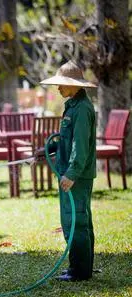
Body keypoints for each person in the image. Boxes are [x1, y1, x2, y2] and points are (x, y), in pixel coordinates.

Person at [36, 61, 97, 281]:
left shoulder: (82, 109)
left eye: (62, 84)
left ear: (75, 85)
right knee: (77, 220)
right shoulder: (72, 105)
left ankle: (79, 272)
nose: (58, 88)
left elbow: (79, 146)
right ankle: (81, 266)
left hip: (76, 175)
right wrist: (47, 149)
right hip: (71, 172)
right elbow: (67, 139)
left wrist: (71, 174)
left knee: (76, 221)